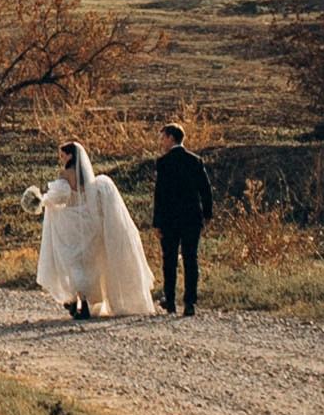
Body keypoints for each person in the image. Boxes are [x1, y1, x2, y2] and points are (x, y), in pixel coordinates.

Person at [33, 140, 155, 319]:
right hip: (90, 224)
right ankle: (85, 302)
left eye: (62, 155)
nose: (60, 159)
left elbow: (59, 196)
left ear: (70, 156)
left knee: (72, 263)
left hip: (71, 225)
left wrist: (41, 200)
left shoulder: (65, 175)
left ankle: (79, 302)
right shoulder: (88, 178)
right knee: (89, 264)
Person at [151, 121, 214, 314]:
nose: (161, 142)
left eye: (163, 138)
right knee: (190, 258)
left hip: (169, 219)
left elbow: (160, 195)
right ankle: (190, 302)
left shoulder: (163, 162)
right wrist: (208, 214)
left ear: (171, 138)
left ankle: (170, 301)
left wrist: (157, 223)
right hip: (191, 217)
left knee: (169, 260)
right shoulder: (195, 161)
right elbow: (206, 189)